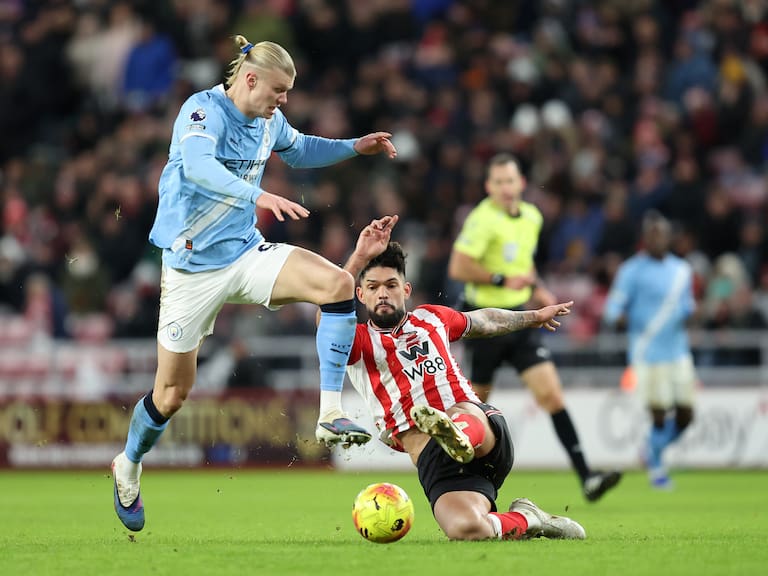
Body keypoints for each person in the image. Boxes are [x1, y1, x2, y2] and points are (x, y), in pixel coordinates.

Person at [111, 35, 397, 532]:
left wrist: (355, 147)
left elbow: (302, 148)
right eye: (279, 90)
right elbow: (199, 168)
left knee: (335, 284)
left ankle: (330, 412)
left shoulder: (269, 122)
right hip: (189, 269)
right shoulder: (202, 111)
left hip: (245, 253)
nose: (283, 100)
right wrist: (258, 194)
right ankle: (128, 465)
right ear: (249, 79)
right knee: (172, 394)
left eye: (287, 92)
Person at [341, 214, 586, 541]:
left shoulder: (431, 318)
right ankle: (529, 518)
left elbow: (485, 320)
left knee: (457, 415)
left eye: (391, 285)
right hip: (437, 464)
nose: (382, 294)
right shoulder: (356, 342)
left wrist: (533, 317)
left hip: (480, 427)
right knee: (467, 530)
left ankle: (454, 434)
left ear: (406, 289)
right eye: (372, 287)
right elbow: (326, 310)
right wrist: (357, 257)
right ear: (360, 294)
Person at [447, 153, 621, 502]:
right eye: (498, 182)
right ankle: (456, 481)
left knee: (552, 395)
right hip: (485, 322)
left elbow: (522, 266)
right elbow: (458, 267)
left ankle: (587, 477)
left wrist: (537, 289)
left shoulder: (532, 217)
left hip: (521, 321)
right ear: (489, 187)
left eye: (510, 181)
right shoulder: (482, 220)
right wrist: (500, 278)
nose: (505, 188)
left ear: (521, 183)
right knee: (475, 408)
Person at [603, 211, 697, 489]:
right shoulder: (631, 270)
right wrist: (628, 318)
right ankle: (657, 468)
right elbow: (612, 310)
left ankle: (650, 450)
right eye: (652, 234)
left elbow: (688, 306)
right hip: (646, 354)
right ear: (644, 238)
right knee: (658, 414)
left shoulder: (682, 270)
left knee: (686, 414)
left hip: (678, 351)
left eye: (662, 234)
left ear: (669, 237)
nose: (657, 239)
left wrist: (692, 314)